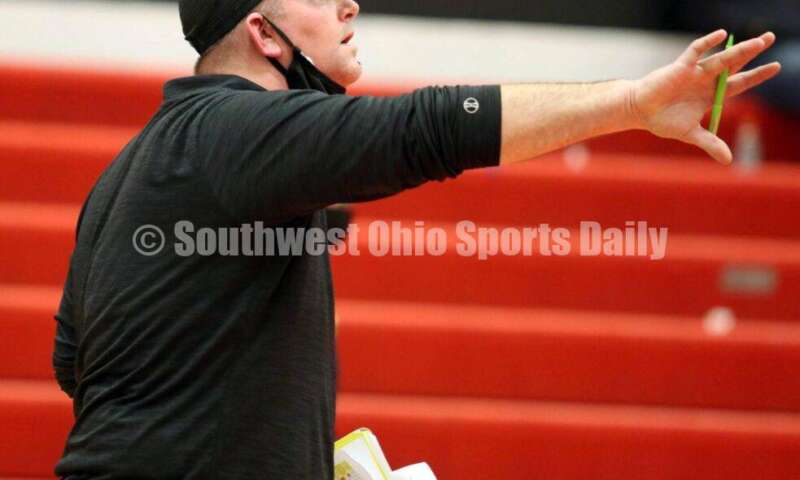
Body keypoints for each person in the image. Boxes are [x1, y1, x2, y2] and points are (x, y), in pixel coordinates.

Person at [51, 0, 780, 478]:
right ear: (263, 33)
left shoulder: (130, 171)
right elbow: (427, 127)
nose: (348, 4)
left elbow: (75, 364)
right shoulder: (232, 131)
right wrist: (631, 103)